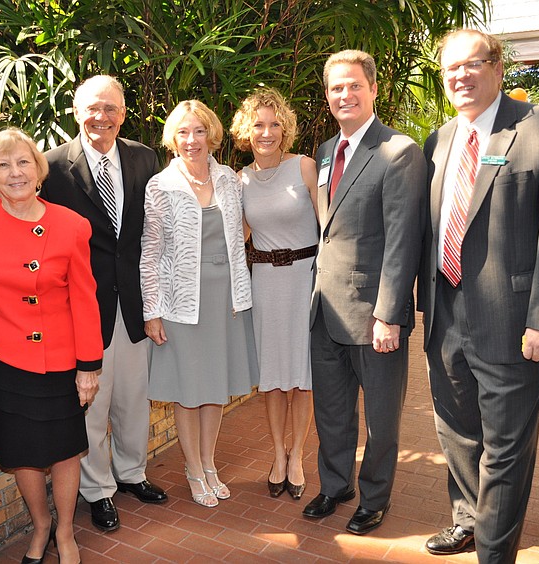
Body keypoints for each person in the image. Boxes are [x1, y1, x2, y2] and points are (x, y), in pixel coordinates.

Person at [418, 29, 539, 562]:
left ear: (497, 68)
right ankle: (467, 520)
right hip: (446, 316)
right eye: (450, 70)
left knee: (507, 448)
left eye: (471, 65)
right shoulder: (440, 139)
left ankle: (495, 551)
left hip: (512, 323)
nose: (460, 77)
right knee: (458, 435)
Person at [0, 128, 102, 564]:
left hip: (60, 357)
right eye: (3, 165)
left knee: (64, 449)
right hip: (1, 357)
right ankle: (39, 526)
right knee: (22, 451)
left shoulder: (72, 225)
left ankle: (65, 531)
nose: (14, 172)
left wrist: (89, 364)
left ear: (38, 169)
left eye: (23, 162)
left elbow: (84, 296)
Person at [302, 50, 426, 536]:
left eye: (354, 85)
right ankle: (336, 486)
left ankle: (374, 497)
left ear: (373, 89)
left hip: (375, 315)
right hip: (326, 310)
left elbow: (402, 240)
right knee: (331, 411)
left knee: (380, 420)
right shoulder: (325, 150)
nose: (344, 95)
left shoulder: (398, 151)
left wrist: (389, 314)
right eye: (336, 88)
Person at [41, 76, 167, 531]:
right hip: (83, 305)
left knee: (133, 397)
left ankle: (132, 473)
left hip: (133, 301)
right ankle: (98, 490)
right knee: (92, 403)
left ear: (123, 112)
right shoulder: (52, 166)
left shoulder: (143, 157)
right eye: (94, 108)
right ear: (76, 112)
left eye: (111, 108)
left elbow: (156, 225)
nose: (102, 117)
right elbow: (30, 218)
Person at [141, 100, 259, 508]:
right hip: (181, 303)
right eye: (183, 133)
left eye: (199, 131)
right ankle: (193, 468)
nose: (192, 140)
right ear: (173, 139)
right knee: (188, 390)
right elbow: (151, 250)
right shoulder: (161, 185)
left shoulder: (229, 179)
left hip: (226, 298)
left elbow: (244, 229)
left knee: (214, 388)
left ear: (212, 134)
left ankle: (209, 464)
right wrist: (151, 310)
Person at [229, 88, 318, 500]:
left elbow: (329, 227)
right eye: (258, 125)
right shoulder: (240, 180)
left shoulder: (304, 167)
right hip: (264, 282)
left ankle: (297, 454)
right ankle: (277, 456)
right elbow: (233, 239)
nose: (267, 132)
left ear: (286, 128)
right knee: (273, 380)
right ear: (246, 131)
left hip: (305, 279)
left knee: (302, 377)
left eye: (275, 124)